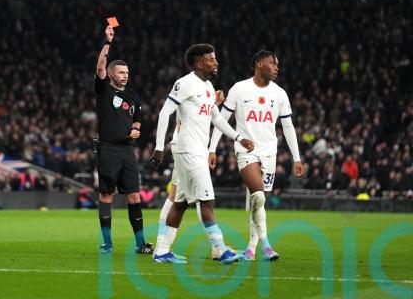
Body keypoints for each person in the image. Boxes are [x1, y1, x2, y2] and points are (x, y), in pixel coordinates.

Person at [151, 43, 254, 264]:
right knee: (207, 200)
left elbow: (216, 119)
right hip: (189, 149)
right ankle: (220, 249)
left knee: (180, 203)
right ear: (199, 63)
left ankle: (162, 251)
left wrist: (238, 137)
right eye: (211, 59)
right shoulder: (185, 83)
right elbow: (164, 113)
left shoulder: (207, 86)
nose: (216, 62)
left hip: (197, 150)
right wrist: (159, 147)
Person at [209, 50, 304, 261]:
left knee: (258, 201)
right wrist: (212, 148)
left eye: (277, 64)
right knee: (258, 196)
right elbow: (221, 119)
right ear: (260, 64)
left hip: (270, 152)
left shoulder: (279, 94)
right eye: (273, 63)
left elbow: (288, 127)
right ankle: (266, 246)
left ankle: (251, 249)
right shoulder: (240, 89)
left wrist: (296, 157)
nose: (276, 67)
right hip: (246, 150)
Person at [94, 24, 153, 255]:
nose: (125, 76)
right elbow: (100, 66)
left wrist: (136, 130)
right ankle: (107, 243)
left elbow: (137, 119)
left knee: (135, 196)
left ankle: (140, 244)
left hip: (127, 150)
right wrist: (108, 42)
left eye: (127, 73)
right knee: (106, 195)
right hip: (108, 149)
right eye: (121, 73)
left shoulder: (132, 96)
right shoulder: (103, 90)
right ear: (111, 74)